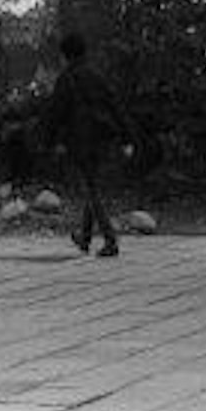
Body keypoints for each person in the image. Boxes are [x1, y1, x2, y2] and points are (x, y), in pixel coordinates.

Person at [44, 32, 132, 258]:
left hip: (80, 140)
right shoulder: (97, 76)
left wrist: (49, 141)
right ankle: (84, 237)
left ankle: (110, 239)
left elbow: (55, 114)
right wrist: (127, 137)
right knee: (91, 184)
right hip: (103, 138)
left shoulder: (66, 79)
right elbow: (114, 106)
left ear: (64, 54)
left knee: (91, 190)